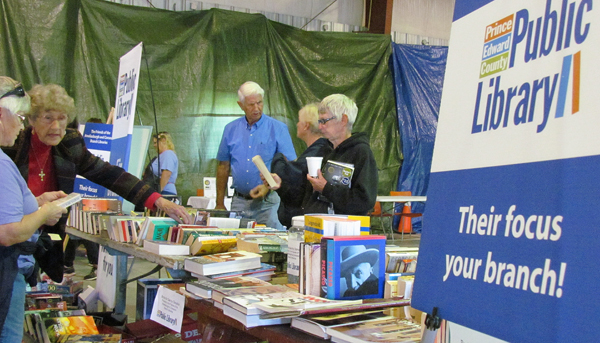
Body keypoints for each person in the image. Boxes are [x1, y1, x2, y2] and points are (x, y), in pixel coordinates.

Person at [2, 84, 192, 327]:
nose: (57, 127)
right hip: (10, 239)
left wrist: (158, 200)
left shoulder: (70, 144)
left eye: (62, 118)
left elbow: (109, 174)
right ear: (30, 119)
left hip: (42, 240)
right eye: (48, 118)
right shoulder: (12, 142)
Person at [0, 76, 67, 341]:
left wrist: (37, 203)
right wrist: (44, 213)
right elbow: (8, 232)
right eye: (19, 116)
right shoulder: (4, 162)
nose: (21, 125)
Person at [215, 81, 297, 230]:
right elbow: (223, 167)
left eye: (259, 103)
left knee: (272, 245)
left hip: (268, 203)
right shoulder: (230, 129)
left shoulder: (278, 128)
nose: (256, 108)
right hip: (239, 202)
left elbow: (291, 166)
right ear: (241, 105)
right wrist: (219, 202)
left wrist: (270, 186)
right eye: (251, 104)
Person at [270, 103, 333, 228]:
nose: (297, 124)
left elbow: (289, 179)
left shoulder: (316, 153)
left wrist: (278, 159)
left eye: (299, 121)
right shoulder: (322, 149)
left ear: (306, 126)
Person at [63, 117, 104, 279]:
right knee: (74, 230)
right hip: (78, 195)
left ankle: (94, 264)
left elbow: (108, 173)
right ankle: (67, 264)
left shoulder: (81, 146)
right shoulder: (80, 144)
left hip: (86, 197)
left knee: (85, 230)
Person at [151, 131, 179, 195]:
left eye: (155, 143)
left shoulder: (168, 154)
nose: (154, 145)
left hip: (165, 191)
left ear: (163, 140)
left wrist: (159, 192)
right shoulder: (162, 155)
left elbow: (166, 174)